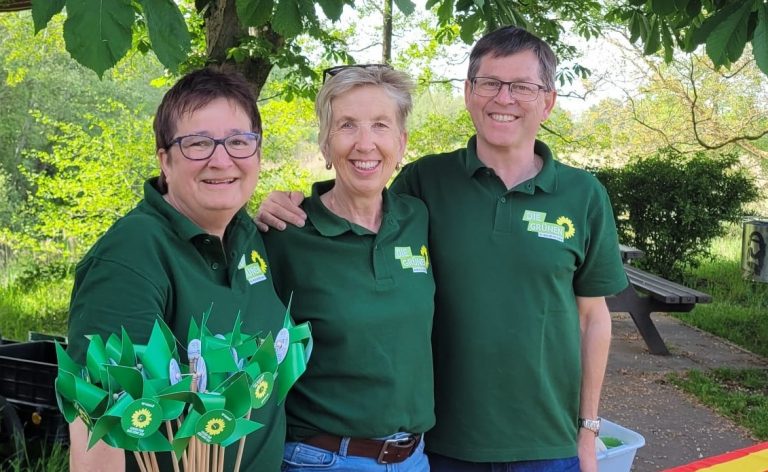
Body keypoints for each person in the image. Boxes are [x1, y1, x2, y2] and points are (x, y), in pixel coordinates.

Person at [257, 26, 628, 472]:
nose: (503, 98)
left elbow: (594, 318)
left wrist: (588, 430)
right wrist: (280, 204)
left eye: (522, 87)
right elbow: (357, 199)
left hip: (548, 443)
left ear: (547, 100)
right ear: (470, 93)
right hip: (441, 444)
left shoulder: (583, 195)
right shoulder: (425, 185)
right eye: (490, 83)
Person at [67, 67, 287, 471]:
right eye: (198, 144)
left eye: (239, 141)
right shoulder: (131, 255)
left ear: (257, 152)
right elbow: (96, 425)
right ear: (165, 160)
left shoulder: (247, 234)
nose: (222, 160)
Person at [262, 65, 435, 471]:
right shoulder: (286, 232)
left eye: (380, 125)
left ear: (402, 141)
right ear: (325, 144)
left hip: (414, 458)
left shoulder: (418, 219)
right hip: (321, 458)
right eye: (346, 126)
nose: (365, 143)